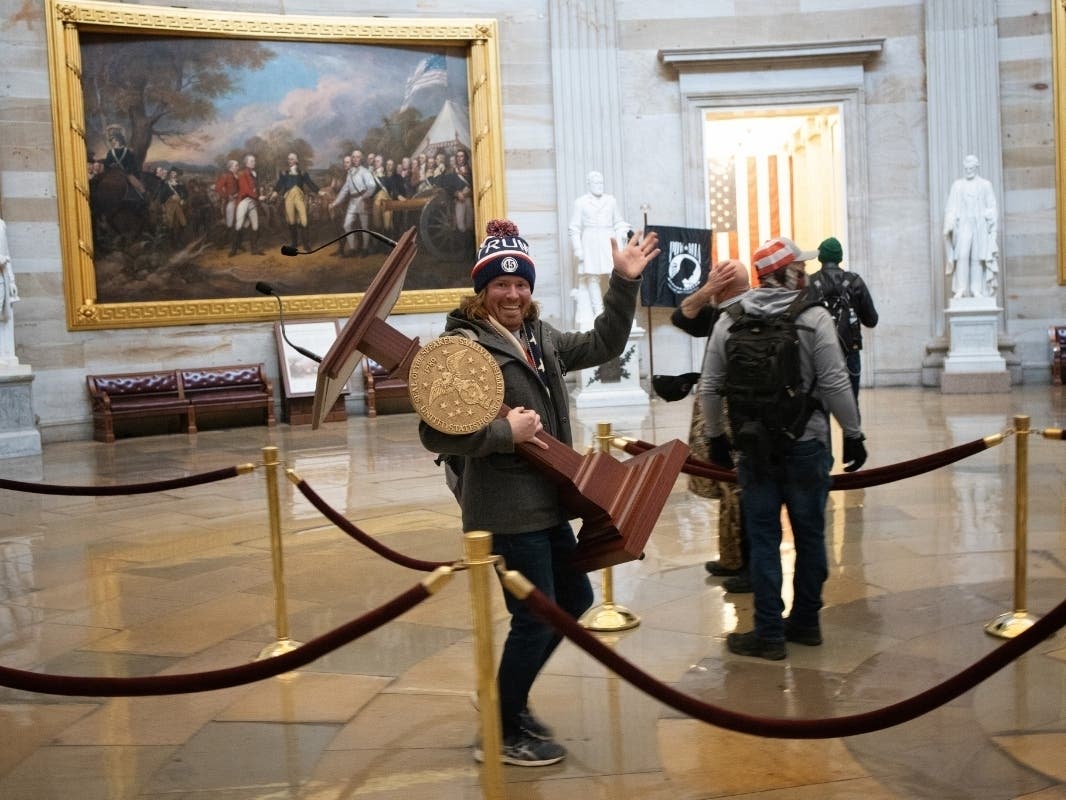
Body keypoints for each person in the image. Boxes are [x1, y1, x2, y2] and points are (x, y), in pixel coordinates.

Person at [419, 219, 660, 766]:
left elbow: (604, 342)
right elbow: (435, 432)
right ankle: (502, 730)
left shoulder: (539, 335)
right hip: (505, 508)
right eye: (500, 285)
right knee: (536, 615)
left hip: (549, 500)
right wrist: (507, 433)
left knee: (573, 600)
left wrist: (623, 283)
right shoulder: (461, 348)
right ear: (482, 291)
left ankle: (510, 700)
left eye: (521, 283)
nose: (512, 293)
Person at [698, 236, 867, 661]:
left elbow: (710, 386)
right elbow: (834, 382)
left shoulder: (730, 318)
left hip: (754, 448)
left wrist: (717, 438)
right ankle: (806, 622)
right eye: (800, 268)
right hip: (807, 443)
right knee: (810, 535)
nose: (806, 273)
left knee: (764, 537)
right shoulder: (814, 317)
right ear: (788, 273)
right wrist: (854, 432)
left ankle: (769, 632)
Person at [672, 260, 753, 591]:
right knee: (726, 487)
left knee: (738, 489)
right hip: (719, 408)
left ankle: (748, 566)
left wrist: (710, 290)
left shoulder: (745, 312)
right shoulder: (721, 312)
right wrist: (709, 290)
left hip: (735, 413)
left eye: (713, 281)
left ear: (723, 287)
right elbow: (682, 315)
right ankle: (732, 558)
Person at [807, 236, 879, 403]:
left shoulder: (811, 283)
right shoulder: (855, 282)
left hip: (820, 353)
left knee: (819, 409)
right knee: (851, 407)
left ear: (821, 257)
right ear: (840, 257)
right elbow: (872, 320)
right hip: (850, 351)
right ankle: (852, 429)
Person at [568, 170, 631, 330]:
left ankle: (614, 309)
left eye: (601, 183)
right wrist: (578, 249)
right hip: (589, 240)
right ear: (589, 184)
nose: (599, 186)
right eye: (596, 183)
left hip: (608, 239)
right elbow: (574, 228)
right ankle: (598, 312)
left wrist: (623, 230)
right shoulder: (581, 202)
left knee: (614, 275)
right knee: (592, 277)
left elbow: (618, 221)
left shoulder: (611, 201)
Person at [943, 154, 998, 299]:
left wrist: (989, 216)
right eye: (967, 168)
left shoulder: (985, 185)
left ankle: (976, 290)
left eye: (971, 168)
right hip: (963, 225)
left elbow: (992, 206)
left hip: (979, 224)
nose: (969, 170)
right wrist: (949, 223)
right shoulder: (957, 185)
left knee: (977, 258)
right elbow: (951, 207)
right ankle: (961, 289)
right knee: (962, 256)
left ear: (976, 167)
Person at [272, 152, 320, 252]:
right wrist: (275, 192)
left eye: (292, 159)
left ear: (296, 161)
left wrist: (319, 191)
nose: (290, 161)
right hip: (288, 198)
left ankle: (306, 244)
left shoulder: (302, 173)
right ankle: (294, 243)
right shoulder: (284, 173)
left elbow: (310, 183)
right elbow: (279, 184)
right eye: (289, 159)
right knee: (291, 220)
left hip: (299, 197)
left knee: (304, 220)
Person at [330, 150, 374, 257]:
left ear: (361, 158)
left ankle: (365, 249)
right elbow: (345, 190)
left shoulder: (365, 172)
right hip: (353, 202)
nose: (355, 159)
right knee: (347, 225)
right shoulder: (350, 173)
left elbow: (372, 186)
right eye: (353, 157)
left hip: (363, 201)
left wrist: (365, 197)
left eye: (358, 157)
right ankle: (353, 248)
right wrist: (335, 203)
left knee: (364, 227)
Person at [231, 153, 266, 256]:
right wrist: (257, 197)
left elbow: (256, 188)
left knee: (255, 225)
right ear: (246, 163)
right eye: (252, 161)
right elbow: (246, 189)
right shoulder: (242, 173)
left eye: (254, 161)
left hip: (253, 202)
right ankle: (233, 249)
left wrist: (259, 194)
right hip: (244, 201)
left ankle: (254, 249)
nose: (254, 162)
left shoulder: (254, 174)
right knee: (239, 224)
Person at [0, 215, 20, 367]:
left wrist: (12, 281)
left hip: (2, 279)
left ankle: (4, 354)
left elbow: (7, 256)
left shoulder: (1, 225)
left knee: (3, 317)